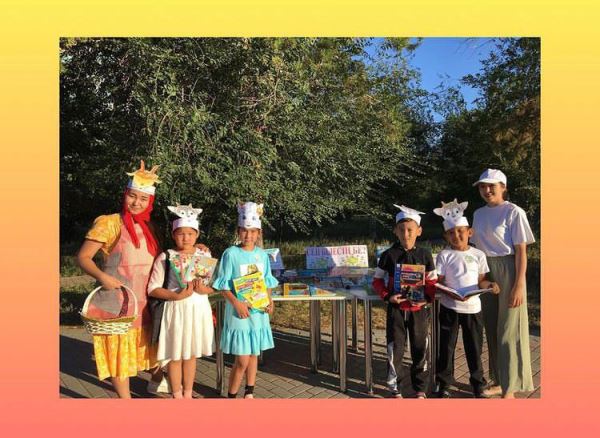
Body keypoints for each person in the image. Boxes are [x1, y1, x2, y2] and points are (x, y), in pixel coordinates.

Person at [76, 161, 162, 398]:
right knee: (119, 356)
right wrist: (102, 276)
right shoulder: (109, 223)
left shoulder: (150, 228)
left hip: (144, 304)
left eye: (143, 199)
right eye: (132, 196)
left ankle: (157, 379)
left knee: (147, 350)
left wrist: (196, 250)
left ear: (150, 202)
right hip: (116, 304)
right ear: (125, 195)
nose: (136, 203)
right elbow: (83, 257)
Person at [471, 169, 535, 399]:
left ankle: (511, 387)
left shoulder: (514, 212)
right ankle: (499, 381)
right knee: (491, 328)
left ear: (503, 187)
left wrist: (519, 284)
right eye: (482, 186)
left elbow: (521, 251)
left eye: (492, 185)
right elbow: (473, 247)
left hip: (508, 270)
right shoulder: (478, 214)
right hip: (486, 271)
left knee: (509, 330)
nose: (487, 190)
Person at [432, 200, 500, 398]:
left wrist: (490, 286)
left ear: (469, 232)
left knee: (474, 347)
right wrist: (444, 290)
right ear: (446, 236)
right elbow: (439, 281)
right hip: (449, 307)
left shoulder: (478, 254)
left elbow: (481, 281)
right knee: (446, 347)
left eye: (460, 231)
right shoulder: (444, 255)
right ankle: (444, 384)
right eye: (451, 233)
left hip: (473, 308)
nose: (456, 236)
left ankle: (478, 383)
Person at [147, 204, 215, 399]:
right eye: (181, 233)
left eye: (190, 233)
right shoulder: (166, 256)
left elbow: (211, 286)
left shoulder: (204, 255)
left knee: (190, 355)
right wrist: (176, 296)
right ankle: (176, 394)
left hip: (197, 310)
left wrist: (205, 290)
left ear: (197, 234)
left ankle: (188, 393)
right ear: (173, 235)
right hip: (176, 310)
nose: (186, 238)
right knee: (175, 355)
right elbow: (153, 288)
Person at [211, 202, 277, 399]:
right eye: (244, 231)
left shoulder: (262, 255)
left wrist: (269, 299)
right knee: (242, 359)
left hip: (258, 312)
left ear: (259, 233)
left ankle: (249, 391)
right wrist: (236, 303)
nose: (249, 235)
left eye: (253, 231)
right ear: (238, 231)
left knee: (254, 353)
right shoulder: (231, 254)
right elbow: (222, 285)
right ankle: (232, 396)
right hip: (238, 312)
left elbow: (266, 280)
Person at [372, 204, 437, 398]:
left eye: (410, 230)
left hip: (419, 310)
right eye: (401, 230)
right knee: (395, 349)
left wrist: (426, 298)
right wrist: (387, 296)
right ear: (395, 231)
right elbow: (377, 281)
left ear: (419, 231)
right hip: (397, 310)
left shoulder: (425, 255)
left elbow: (432, 281)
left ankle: (420, 389)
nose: (406, 234)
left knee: (420, 348)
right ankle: (395, 389)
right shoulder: (388, 255)